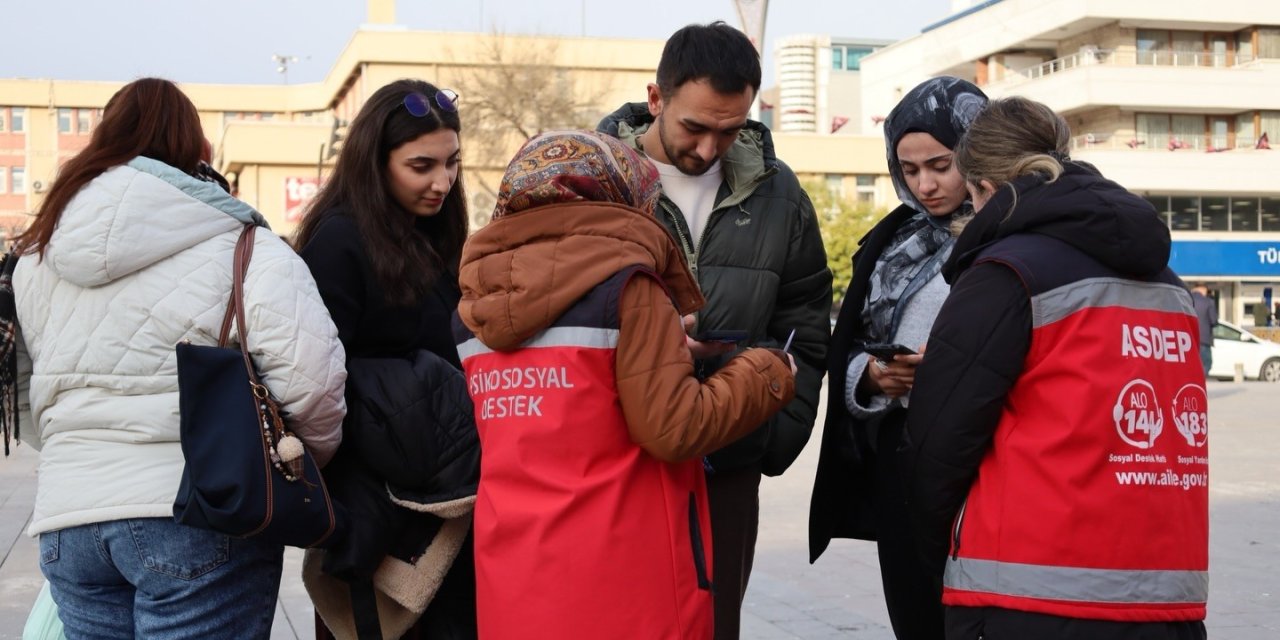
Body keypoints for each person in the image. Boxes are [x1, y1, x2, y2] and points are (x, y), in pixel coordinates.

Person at [10, 77, 347, 639]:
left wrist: (84, 453)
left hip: (70, 522)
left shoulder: (37, 258)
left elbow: (26, 387)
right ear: (199, 151)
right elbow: (314, 384)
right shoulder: (246, 245)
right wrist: (296, 461)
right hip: (201, 510)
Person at [453, 129, 798, 639]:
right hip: (624, 578)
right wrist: (767, 371)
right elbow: (674, 428)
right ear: (623, 197)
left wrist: (661, 348)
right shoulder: (628, 287)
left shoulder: (473, 308)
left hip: (515, 575)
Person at [904, 96, 1208, 639]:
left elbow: (939, 442)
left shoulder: (1005, 272)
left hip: (1028, 594)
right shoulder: (1169, 283)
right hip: (1167, 596)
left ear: (987, 190)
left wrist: (931, 562)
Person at [597, 23, 832, 637]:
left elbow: (805, 317)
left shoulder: (780, 192)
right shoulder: (594, 181)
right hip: (620, 461)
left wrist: (776, 432)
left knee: (714, 624)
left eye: (729, 130)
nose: (707, 148)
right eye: (694, 128)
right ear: (656, 98)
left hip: (732, 457)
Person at [294, 79, 479, 639]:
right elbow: (318, 379)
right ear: (375, 161)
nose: (442, 182)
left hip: (444, 496)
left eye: (451, 163)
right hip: (375, 498)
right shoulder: (339, 240)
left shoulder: (431, 234)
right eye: (421, 165)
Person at [808, 76, 987, 640]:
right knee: (914, 613)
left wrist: (949, 367)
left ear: (977, 152)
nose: (925, 184)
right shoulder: (891, 240)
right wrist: (874, 376)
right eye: (909, 170)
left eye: (940, 164)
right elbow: (852, 343)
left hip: (981, 455)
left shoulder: (1006, 234)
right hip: (900, 453)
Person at [1190, 284, 1217, 376]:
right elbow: (1213, 321)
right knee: (1206, 364)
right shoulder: (1208, 302)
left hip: (1188, 340)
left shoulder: (1185, 300)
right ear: (1203, 289)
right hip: (1203, 340)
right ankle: (1199, 383)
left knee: (1191, 365)